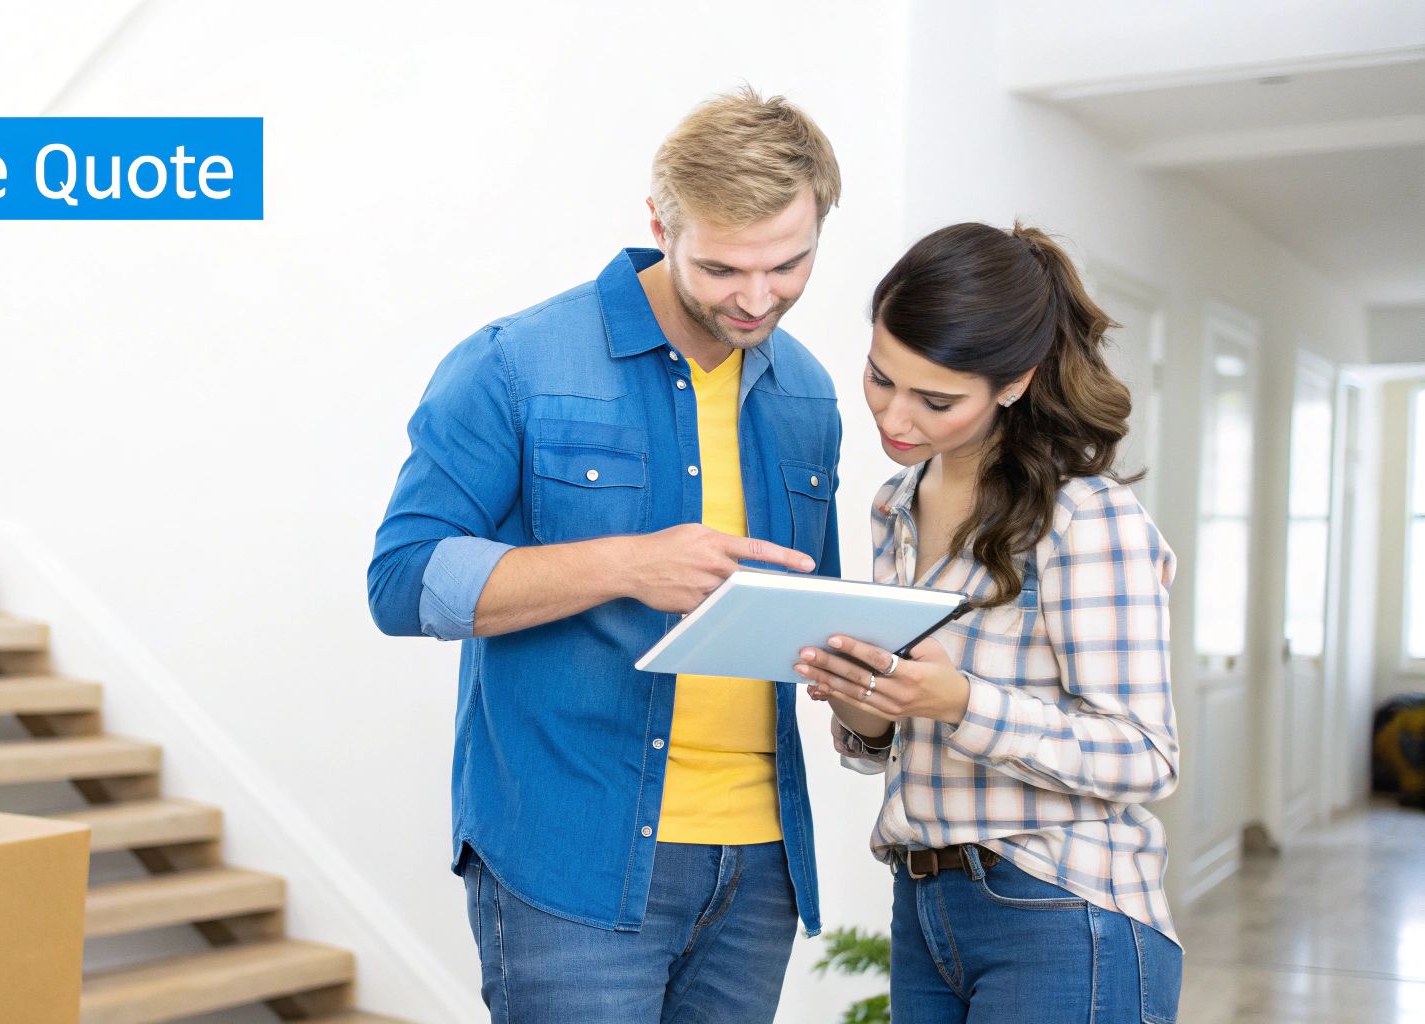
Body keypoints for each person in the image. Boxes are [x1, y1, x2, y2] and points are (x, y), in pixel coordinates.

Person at [368, 86, 844, 1022]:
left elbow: (804, 614)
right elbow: (401, 580)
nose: (757, 299)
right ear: (659, 224)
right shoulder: (516, 362)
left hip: (757, 870)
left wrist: (859, 671)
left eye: (788, 266)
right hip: (569, 863)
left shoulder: (807, 392)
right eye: (720, 269)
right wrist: (627, 565)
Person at [795, 222, 1184, 1023]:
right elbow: (902, 735)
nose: (896, 418)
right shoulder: (895, 505)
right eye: (880, 377)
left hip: (1064, 907)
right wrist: (864, 707)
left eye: (937, 400)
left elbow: (1146, 757)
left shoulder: (1086, 518)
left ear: (1014, 383)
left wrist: (959, 701)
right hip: (926, 902)